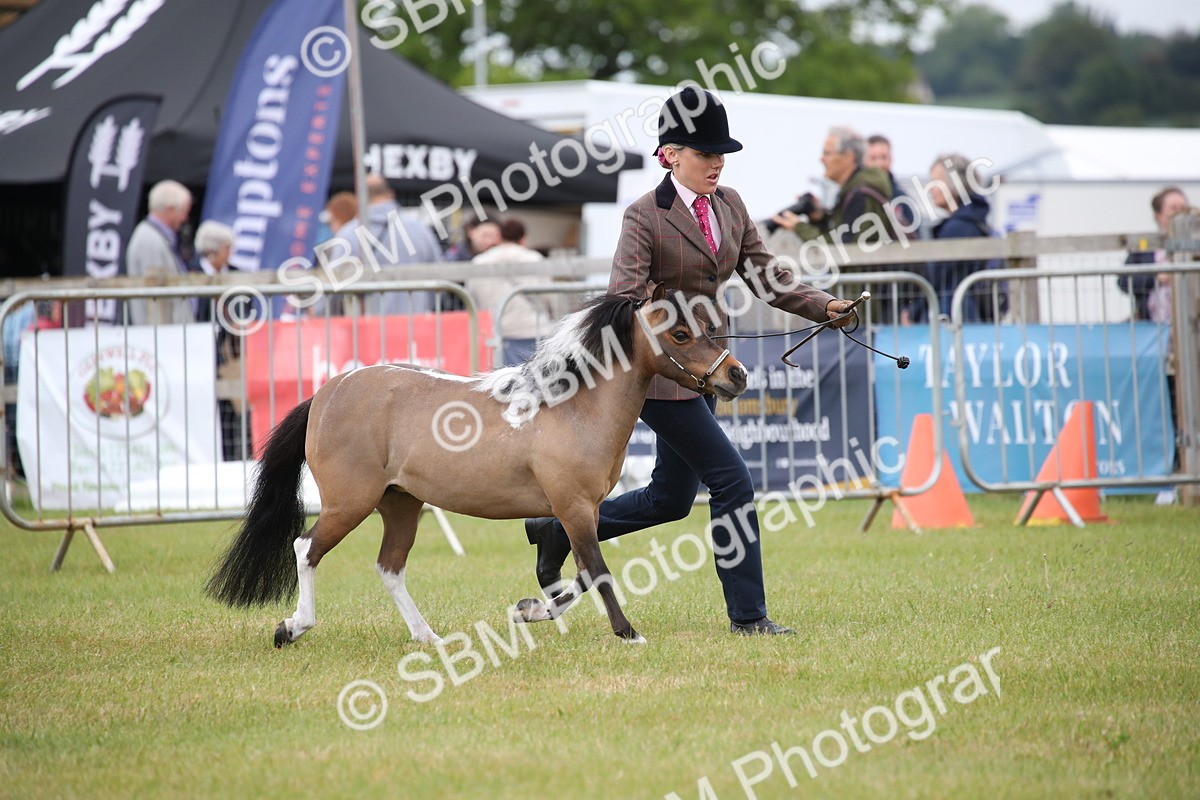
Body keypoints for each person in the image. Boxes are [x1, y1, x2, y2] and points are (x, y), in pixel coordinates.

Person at [523, 87, 859, 636]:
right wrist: (667, 317)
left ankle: (559, 528)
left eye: (722, 153)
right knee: (732, 480)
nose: (718, 162)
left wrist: (825, 306)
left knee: (670, 499)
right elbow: (623, 299)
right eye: (706, 153)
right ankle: (749, 618)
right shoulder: (643, 217)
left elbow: (767, 274)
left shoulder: (731, 205)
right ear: (671, 154)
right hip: (660, 377)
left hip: (707, 369)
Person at [771, 125, 898, 247]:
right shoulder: (855, 190)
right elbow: (843, 238)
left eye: (827, 153)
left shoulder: (860, 194)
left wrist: (799, 227)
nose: (821, 159)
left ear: (848, 157)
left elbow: (845, 251)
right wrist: (819, 217)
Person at [912, 153, 998, 323]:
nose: (931, 189)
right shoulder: (975, 222)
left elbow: (935, 277)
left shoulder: (959, 227)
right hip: (968, 316)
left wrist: (914, 310)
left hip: (954, 317)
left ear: (954, 184)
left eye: (936, 182)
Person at [362, 174, 445, 315]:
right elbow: (441, 279)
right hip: (415, 325)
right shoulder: (420, 228)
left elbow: (332, 293)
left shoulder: (349, 234)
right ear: (390, 194)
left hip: (367, 331)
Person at [467, 217, 557, 346]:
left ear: (500, 236)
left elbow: (471, 297)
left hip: (495, 333)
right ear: (523, 238)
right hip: (533, 330)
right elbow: (549, 296)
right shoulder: (535, 259)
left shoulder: (479, 262)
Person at [125, 180, 194, 325]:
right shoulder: (149, 241)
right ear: (170, 209)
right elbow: (155, 300)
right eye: (184, 212)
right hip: (161, 336)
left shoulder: (156, 237)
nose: (185, 219)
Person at [1120, 186, 1189, 321]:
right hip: (1153, 324)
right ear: (1158, 214)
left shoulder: (1194, 245)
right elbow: (1123, 282)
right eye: (1173, 209)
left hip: (1192, 324)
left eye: (1183, 208)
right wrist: (1156, 277)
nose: (1179, 214)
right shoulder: (1144, 247)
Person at [865, 134, 914, 235]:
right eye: (873, 158)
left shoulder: (902, 199)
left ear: (891, 159)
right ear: (863, 160)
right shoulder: (855, 196)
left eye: (884, 157)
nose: (879, 164)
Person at [190, 220, 234, 323]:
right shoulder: (192, 272)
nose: (230, 253)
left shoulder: (235, 273)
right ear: (213, 249)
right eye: (227, 248)